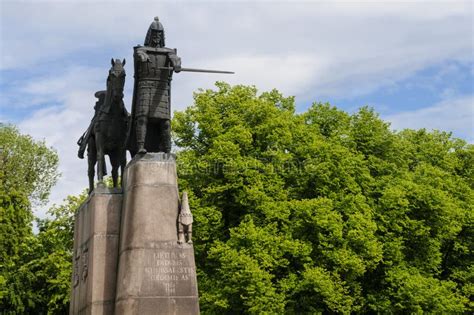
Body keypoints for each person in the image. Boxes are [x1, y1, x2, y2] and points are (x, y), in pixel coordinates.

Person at [128, 17, 181, 154]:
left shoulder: (168, 52)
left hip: (161, 89)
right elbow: (139, 53)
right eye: (154, 34)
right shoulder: (142, 50)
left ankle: (167, 149)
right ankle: (140, 147)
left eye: (159, 34)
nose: (156, 37)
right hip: (145, 87)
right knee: (142, 118)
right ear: (150, 35)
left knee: (165, 122)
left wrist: (176, 64)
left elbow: (174, 58)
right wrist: (141, 56)